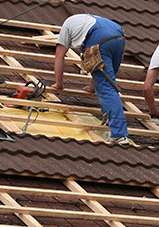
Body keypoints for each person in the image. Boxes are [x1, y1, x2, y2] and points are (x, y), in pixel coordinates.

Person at [52, 14, 128, 144]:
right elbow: (97, 67)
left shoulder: (67, 25)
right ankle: (109, 114)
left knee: (107, 88)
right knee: (108, 80)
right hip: (119, 37)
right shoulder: (88, 19)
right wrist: (93, 87)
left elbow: (59, 55)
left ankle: (119, 134)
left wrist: (59, 84)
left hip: (99, 39)